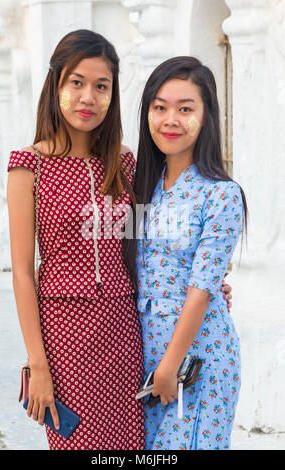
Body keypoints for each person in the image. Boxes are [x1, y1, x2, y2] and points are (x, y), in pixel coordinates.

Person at [6, 29, 145, 450]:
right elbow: (22, 274)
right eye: (77, 82)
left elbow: (140, 248)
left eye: (101, 86)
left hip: (123, 329)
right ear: (56, 86)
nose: (88, 97)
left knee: (130, 445)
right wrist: (38, 365)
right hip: (63, 333)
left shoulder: (123, 162)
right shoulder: (28, 166)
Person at [124, 56, 247, 450]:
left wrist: (170, 365)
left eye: (185, 108)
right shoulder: (143, 187)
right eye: (159, 107)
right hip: (146, 357)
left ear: (206, 116)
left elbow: (202, 287)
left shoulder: (221, 194)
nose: (170, 119)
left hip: (198, 361)